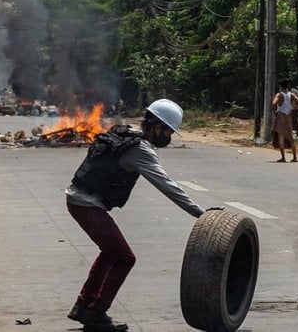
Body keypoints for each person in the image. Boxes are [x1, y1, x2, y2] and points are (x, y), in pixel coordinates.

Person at [65, 99, 212, 331]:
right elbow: (168, 186)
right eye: (169, 132)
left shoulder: (124, 133)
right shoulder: (140, 149)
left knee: (110, 253)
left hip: (78, 198)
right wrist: (202, 215)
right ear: (157, 127)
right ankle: (96, 312)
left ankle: (83, 306)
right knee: (125, 258)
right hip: (87, 204)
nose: (169, 138)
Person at [271, 79, 298, 162]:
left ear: (281, 87)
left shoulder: (279, 95)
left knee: (281, 138)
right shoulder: (291, 94)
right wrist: (292, 108)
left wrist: (274, 111)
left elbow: (274, 103)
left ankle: (283, 158)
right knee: (290, 138)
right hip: (288, 116)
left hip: (280, 116)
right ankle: (295, 157)